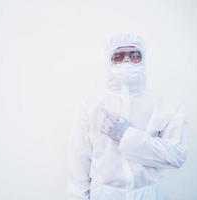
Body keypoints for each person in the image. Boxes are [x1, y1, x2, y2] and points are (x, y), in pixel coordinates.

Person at [66, 33, 188, 200]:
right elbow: (78, 163)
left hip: (149, 195)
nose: (127, 62)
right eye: (118, 56)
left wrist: (127, 136)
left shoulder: (165, 105)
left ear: (144, 59)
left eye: (134, 56)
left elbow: (176, 155)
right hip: (104, 195)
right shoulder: (91, 105)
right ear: (109, 61)